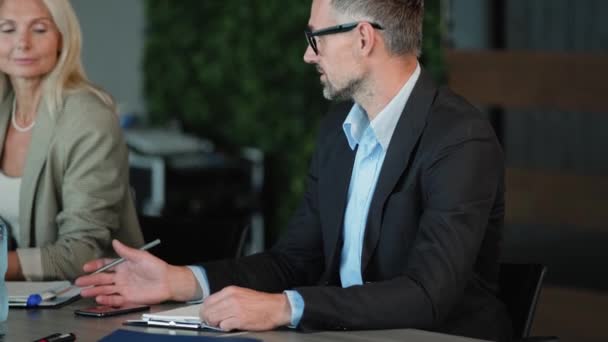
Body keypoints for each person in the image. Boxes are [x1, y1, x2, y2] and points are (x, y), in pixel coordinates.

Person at [77, 0, 511, 340]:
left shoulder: (459, 139)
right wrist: (181, 280)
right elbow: (294, 261)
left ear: (363, 38)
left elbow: (426, 294)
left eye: (315, 37)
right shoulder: (336, 133)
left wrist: (285, 308)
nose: (307, 55)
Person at [0, 0, 143, 281]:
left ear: (62, 38)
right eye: (7, 29)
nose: (22, 43)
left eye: (39, 29)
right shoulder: (5, 106)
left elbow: (83, 254)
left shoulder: (89, 118)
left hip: (90, 302)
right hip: (20, 301)